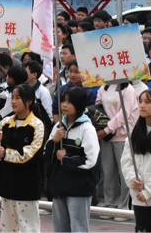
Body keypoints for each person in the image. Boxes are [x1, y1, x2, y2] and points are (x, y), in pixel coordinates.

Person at [0, 84, 45, 233]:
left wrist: (6, 153)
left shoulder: (37, 126)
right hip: (6, 185)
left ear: (29, 101)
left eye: (18, 98)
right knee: (8, 228)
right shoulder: (5, 122)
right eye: (12, 97)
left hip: (27, 187)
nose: (13, 101)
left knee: (28, 228)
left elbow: (29, 154)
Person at [46, 87, 100, 233]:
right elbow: (46, 155)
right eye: (63, 100)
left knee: (78, 228)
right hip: (59, 186)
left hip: (79, 189)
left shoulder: (87, 129)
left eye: (70, 102)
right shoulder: (58, 127)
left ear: (80, 105)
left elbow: (90, 161)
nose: (64, 105)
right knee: (60, 228)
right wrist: (54, 141)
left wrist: (65, 159)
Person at [123, 89, 151, 231]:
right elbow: (127, 161)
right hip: (139, 198)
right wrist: (132, 181)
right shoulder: (134, 133)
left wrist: (149, 191)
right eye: (140, 101)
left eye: (148, 102)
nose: (142, 105)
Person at [97, 82, 138, 218]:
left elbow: (124, 114)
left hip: (123, 136)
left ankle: (123, 207)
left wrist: (108, 129)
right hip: (105, 138)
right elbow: (98, 107)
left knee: (124, 172)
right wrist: (100, 128)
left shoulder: (128, 89)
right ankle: (110, 204)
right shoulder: (103, 87)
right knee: (108, 172)